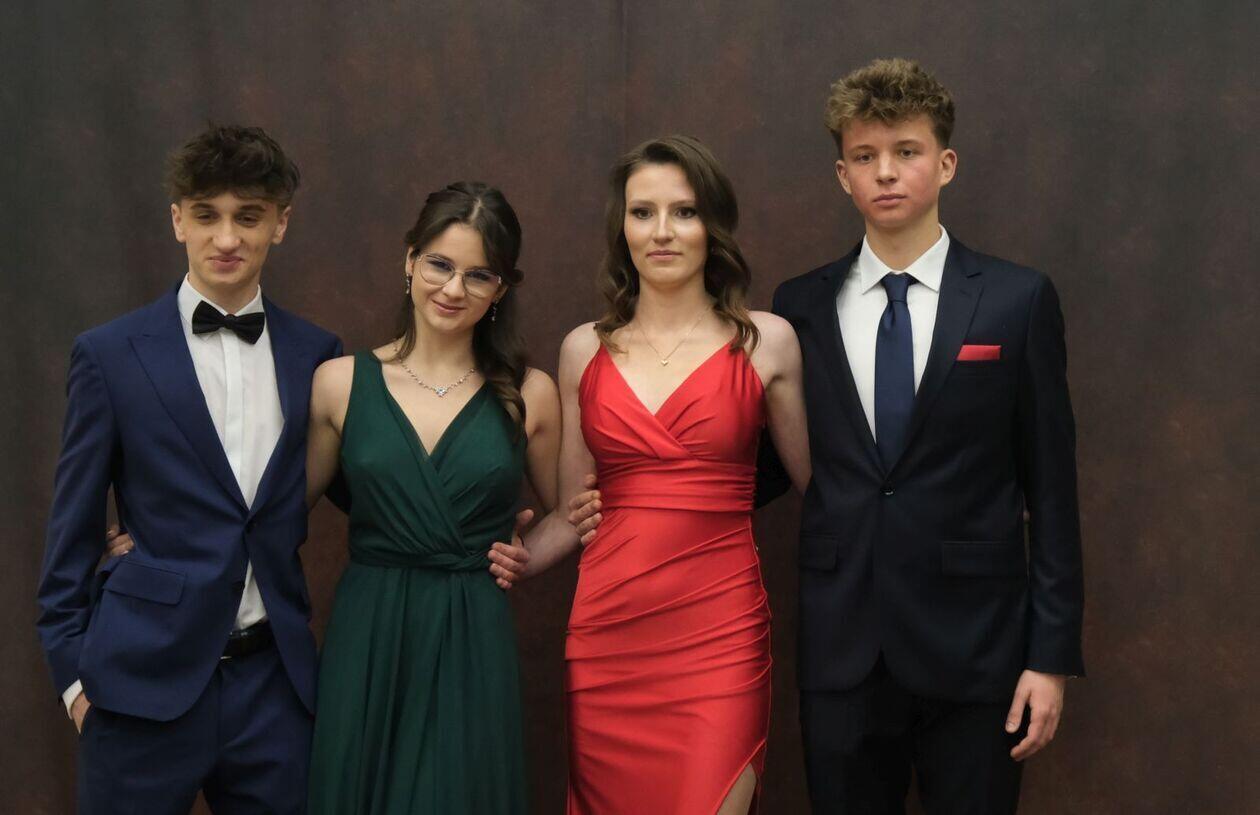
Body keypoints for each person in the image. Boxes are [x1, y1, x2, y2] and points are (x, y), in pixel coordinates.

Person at [759, 58, 1086, 813]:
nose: (886, 172)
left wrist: (1050, 657)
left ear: (945, 163)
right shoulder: (798, 306)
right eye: (865, 156)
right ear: (842, 175)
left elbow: (1053, 492)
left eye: (906, 151)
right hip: (842, 648)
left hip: (979, 650)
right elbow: (772, 460)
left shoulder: (1016, 300)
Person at [35, 124, 342, 814]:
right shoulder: (110, 355)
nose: (226, 238)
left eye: (248, 217)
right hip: (137, 685)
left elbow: (372, 486)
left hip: (274, 689)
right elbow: (71, 531)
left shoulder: (318, 355)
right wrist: (74, 681)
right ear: (178, 220)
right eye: (207, 215)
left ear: (280, 224)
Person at [525, 136, 811, 815]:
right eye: (642, 212)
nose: (661, 231)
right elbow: (573, 512)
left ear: (713, 225)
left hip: (720, 633)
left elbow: (825, 493)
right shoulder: (582, 349)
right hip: (609, 636)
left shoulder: (766, 341)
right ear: (621, 227)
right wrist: (507, 556)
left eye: (683, 212)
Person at [301, 182, 558, 814]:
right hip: (369, 630)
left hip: (473, 628)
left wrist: (529, 553)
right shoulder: (338, 383)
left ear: (501, 289)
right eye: (440, 264)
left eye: (479, 275)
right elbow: (272, 516)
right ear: (410, 260)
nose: (453, 289)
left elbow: (579, 512)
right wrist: (158, 536)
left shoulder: (531, 393)